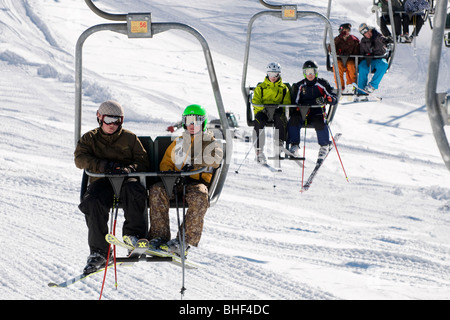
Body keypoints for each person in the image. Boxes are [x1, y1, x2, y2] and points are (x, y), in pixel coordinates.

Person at [74, 100, 150, 274]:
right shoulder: (90, 138)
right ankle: (100, 252)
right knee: (93, 202)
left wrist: (130, 169)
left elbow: (143, 161)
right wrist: (103, 166)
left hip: (126, 180)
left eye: (116, 120)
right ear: (100, 118)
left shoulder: (130, 138)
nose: (112, 125)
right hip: (102, 181)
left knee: (135, 191)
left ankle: (134, 238)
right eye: (108, 120)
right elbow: (80, 159)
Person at [148, 104, 223, 256]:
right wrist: (170, 175)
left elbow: (216, 158)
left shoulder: (210, 142)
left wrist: (195, 163)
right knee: (157, 190)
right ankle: (158, 237)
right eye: (188, 121)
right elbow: (166, 163)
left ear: (203, 123)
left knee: (201, 197)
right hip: (176, 182)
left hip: (195, 183)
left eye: (196, 121)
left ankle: (183, 241)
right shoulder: (178, 143)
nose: (192, 125)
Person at [289, 60, 338, 160]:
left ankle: (324, 146)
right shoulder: (300, 85)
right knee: (294, 119)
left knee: (319, 121)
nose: (310, 74)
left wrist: (326, 99)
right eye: (307, 72)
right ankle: (294, 145)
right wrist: (300, 106)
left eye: (312, 71)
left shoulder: (322, 83)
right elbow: (294, 101)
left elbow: (333, 97)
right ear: (304, 73)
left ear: (316, 72)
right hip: (303, 111)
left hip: (317, 111)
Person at [251, 62, 291, 163]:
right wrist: (263, 108)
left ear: (279, 74)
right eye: (270, 74)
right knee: (259, 120)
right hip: (263, 111)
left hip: (277, 110)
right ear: (267, 74)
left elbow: (287, 103)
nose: (273, 77)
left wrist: (279, 108)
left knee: (280, 118)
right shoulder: (261, 87)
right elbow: (255, 101)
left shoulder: (283, 88)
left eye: (275, 75)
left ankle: (279, 142)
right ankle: (258, 150)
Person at [357, 23, 391, 98]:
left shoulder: (377, 36)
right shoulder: (363, 41)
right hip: (368, 59)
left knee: (384, 65)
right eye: (364, 33)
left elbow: (382, 39)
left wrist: (386, 41)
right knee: (362, 67)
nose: (366, 34)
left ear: (369, 29)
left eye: (366, 31)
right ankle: (361, 91)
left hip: (379, 58)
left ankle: (372, 85)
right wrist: (362, 58)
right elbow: (361, 52)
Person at [332, 23, 360, 94]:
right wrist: (339, 38)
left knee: (350, 66)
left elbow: (358, 51)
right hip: (340, 61)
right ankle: (340, 87)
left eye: (348, 31)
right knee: (337, 65)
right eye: (344, 31)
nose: (346, 33)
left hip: (350, 61)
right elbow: (331, 49)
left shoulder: (354, 40)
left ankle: (350, 86)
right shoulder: (337, 40)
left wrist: (350, 55)